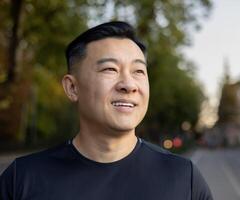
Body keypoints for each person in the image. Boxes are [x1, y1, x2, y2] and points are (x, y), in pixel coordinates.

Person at [0, 21, 213, 200]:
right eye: (110, 69)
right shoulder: (22, 180)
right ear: (72, 87)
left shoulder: (185, 179)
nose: (129, 85)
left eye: (138, 71)